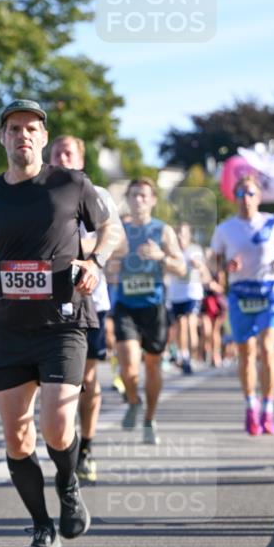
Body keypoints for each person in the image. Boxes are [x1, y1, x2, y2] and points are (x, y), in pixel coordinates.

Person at [0, 99, 118, 547]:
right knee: (16, 437)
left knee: (57, 424)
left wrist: (96, 261)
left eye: (31, 128)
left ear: (43, 138)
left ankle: (68, 487)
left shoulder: (71, 183)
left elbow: (110, 228)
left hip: (63, 324)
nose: (22, 135)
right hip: (9, 328)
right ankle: (41, 526)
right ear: (4, 138)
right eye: (14, 128)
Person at [48, 134, 127, 484]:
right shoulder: (38, 193)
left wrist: (91, 255)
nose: (62, 158)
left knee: (88, 379)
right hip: (47, 299)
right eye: (56, 153)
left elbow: (116, 234)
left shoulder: (96, 194)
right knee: (50, 380)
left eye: (69, 153)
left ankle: (87, 447)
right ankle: (61, 442)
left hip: (90, 298)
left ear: (80, 161)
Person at [209, 173, 274, 435]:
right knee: (246, 353)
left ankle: (268, 408)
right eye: (241, 194)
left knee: (267, 349)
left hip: (269, 291)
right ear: (235, 197)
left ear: (259, 197)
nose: (246, 199)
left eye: (251, 193)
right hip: (241, 294)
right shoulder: (225, 228)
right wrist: (225, 267)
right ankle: (250, 405)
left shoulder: (272, 221)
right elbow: (214, 262)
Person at [114, 178, 186, 445]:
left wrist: (161, 257)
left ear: (153, 200)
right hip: (125, 305)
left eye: (144, 195)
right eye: (134, 195)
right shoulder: (118, 230)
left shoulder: (162, 231)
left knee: (153, 366)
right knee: (129, 368)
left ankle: (149, 418)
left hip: (153, 306)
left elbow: (182, 268)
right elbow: (105, 262)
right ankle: (133, 400)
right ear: (128, 199)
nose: (139, 200)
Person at [166, 222, 209, 375]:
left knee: (190, 324)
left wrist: (198, 265)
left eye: (183, 234)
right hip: (175, 294)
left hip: (192, 293)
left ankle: (191, 356)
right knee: (180, 327)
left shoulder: (194, 250)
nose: (180, 237)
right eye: (177, 234)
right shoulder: (171, 251)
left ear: (189, 236)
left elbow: (201, 266)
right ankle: (183, 355)